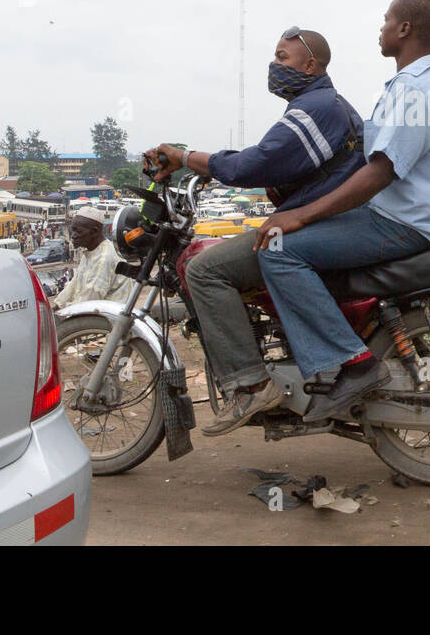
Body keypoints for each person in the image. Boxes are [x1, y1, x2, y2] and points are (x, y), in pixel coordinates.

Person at [253, 0, 430, 422]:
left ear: (404, 29)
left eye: (386, 19)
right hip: (409, 213)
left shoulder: (419, 91)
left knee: (279, 250)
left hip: (404, 221)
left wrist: (299, 214)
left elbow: (379, 173)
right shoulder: (422, 85)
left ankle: (355, 366)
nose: (381, 27)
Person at [146, 27, 366, 436]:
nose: (275, 66)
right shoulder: (320, 106)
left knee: (204, 270)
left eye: (283, 58)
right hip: (327, 222)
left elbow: (254, 164)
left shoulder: (316, 107)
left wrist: (185, 156)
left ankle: (250, 384)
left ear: (311, 65)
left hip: (317, 226)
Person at [52, 207, 136, 309]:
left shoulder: (104, 258)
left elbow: (88, 301)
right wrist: (57, 305)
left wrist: (61, 312)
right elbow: (74, 284)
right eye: (72, 230)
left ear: (94, 232)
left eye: (78, 231)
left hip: (107, 318)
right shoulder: (91, 251)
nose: (73, 236)